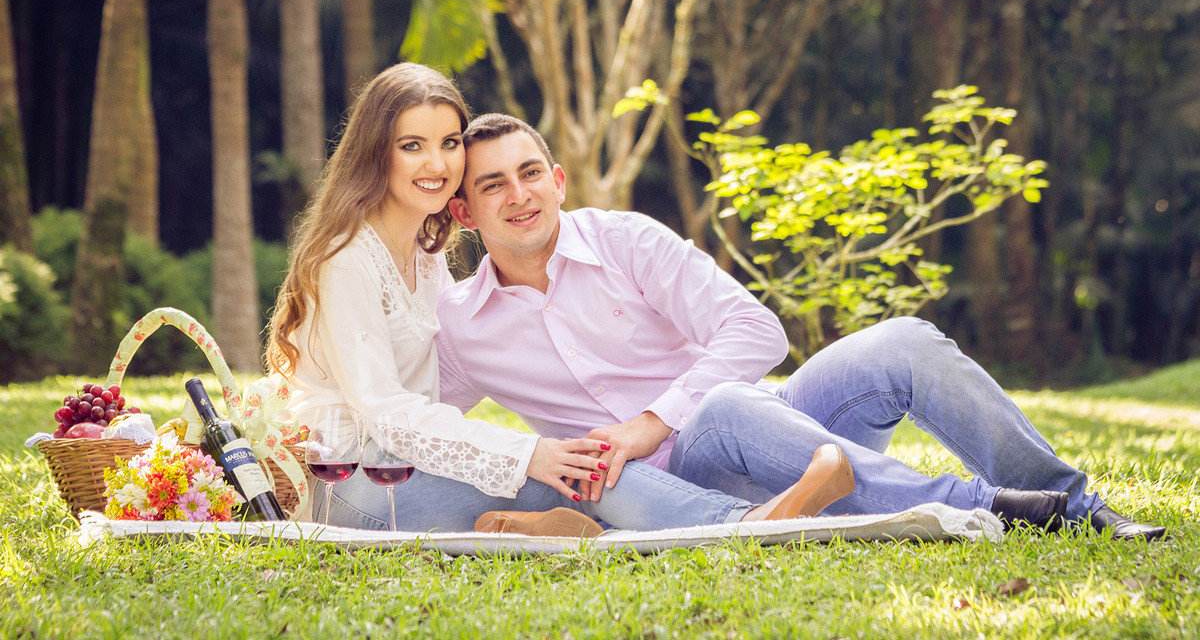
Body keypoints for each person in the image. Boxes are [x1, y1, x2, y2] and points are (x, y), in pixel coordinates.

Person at [435, 113, 1167, 541]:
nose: (519, 195)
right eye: (493, 184)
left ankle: (1077, 502)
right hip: (673, 489)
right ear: (465, 212)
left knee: (903, 341)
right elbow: (421, 420)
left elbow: (756, 332)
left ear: (558, 180)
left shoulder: (626, 241)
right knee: (721, 408)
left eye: (530, 173)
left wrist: (652, 420)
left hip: (764, 424)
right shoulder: (465, 327)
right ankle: (997, 510)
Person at [266, 63, 853, 534]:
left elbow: (442, 384)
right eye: (412, 145)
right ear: (376, 152)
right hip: (357, 482)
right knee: (574, 471)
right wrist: (526, 453)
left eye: (448, 143)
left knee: (577, 468)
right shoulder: (346, 261)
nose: (438, 162)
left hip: (411, 463)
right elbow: (386, 411)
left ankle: (524, 527)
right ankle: (745, 524)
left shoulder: (424, 255)